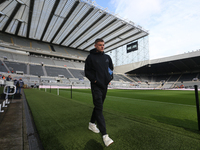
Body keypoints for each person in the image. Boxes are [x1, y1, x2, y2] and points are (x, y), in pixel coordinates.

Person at [84, 38, 114, 147]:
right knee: (99, 108)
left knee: (98, 107)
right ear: (95, 45)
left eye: (103, 45)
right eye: (100, 45)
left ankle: (92, 123)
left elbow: (111, 69)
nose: (102, 47)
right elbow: (87, 72)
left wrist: (109, 78)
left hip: (104, 86)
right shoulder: (90, 57)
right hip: (96, 86)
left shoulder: (107, 57)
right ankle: (105, 135)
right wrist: (95, 80)